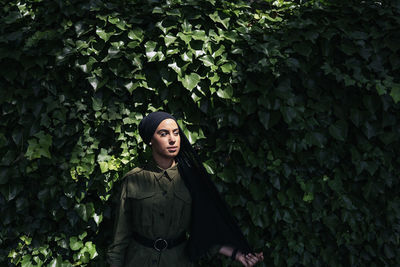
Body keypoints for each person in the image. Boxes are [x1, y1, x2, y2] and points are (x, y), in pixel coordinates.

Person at [107, 111, 264, 266]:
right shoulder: (133, 179)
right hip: (138, 261)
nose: (172, 140)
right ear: (150, 140)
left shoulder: (192, 179)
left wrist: (236, 253)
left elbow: (203, 229)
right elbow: (120, 238)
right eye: (163, 134)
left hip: (178, 261)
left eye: (176, 133)